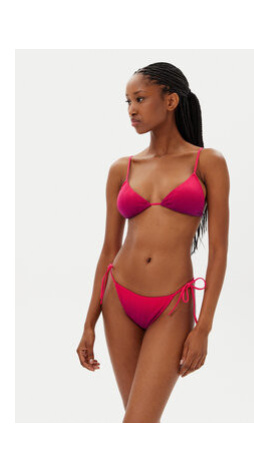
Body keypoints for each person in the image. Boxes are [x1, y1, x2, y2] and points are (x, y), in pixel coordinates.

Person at [76, 62, 230, 423]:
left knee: (139, 421)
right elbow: (109, 249)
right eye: (128, 101)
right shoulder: (122, 168)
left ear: (171, 101)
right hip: (118, 299)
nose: (132, 109)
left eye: (140, 99)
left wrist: (204, 327)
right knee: (140, 421)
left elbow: (219, 251)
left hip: (172, 305)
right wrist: (89, 323)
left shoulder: (208, 162)